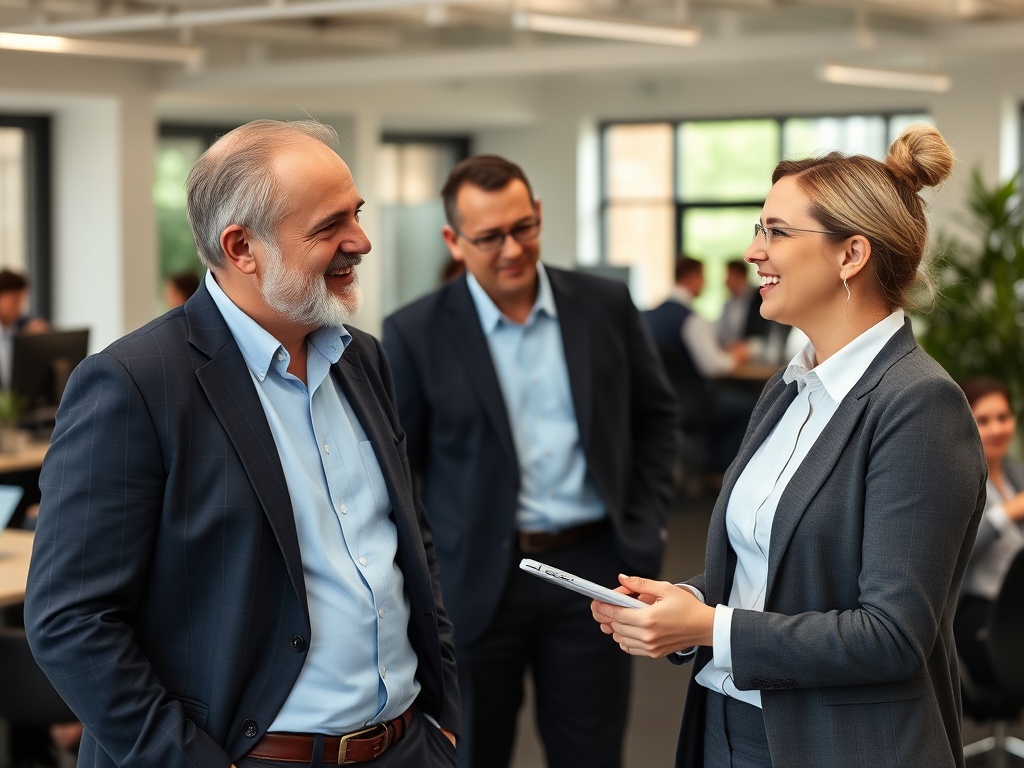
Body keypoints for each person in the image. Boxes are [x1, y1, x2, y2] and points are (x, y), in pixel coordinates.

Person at [24, 119, 459, 768]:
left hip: (408, 746)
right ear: (241, 247)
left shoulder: (360, 357)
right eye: (329, 225)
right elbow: (71, 620)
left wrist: (443, 717)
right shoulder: (135, 384)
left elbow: (405, 542)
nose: (361, 241)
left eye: (357, 213)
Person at [591, 124, 987, 767]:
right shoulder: (790, 387)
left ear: (850, 254)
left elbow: (892, 636)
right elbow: (772, 569)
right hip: (729, 722)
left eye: (776, 231)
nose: (753, 252)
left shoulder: (918, 405)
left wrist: (710, 629)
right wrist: (688, 602)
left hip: (837, 745)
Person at [382, 154, 678, 768]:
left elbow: (656, 417)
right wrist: (427, 580)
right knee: (471, 755)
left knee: (590, 753)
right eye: (489, 238)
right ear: (454, 242)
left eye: (523, 228)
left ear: (539, 214)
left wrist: (645, 531)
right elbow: (400, 470)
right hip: (473, 582)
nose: (512, 250)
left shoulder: (604, 304)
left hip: (593, 571)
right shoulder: (415, 332)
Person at [644, 256, 755, 474]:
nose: (704, 285)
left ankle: (704, 467)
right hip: (693, 405)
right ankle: (720, 473)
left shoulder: (648, 316)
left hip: (658, 401)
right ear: (692, 278)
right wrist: (738, 356)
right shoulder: (692, 320)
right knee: (748, 407)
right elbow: (712, 366)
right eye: (702, 278)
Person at [955, 376, 1024, 687]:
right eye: (983, 420)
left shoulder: (1017, 475)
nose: (996, 429)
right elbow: (958, 551)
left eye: (1003, 417)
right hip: (980, 614)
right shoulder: (957, 483)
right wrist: (1006, 514)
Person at [716, 259, 789, 363]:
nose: (725, 281)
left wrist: (746, 347)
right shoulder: (727, 303)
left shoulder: (759, 298)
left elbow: (766, 335)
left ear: (740, 276)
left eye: (729, 275)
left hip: (759, 356)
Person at [0, 268, 49, 390]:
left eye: (22, 301)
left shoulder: (25, 326)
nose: (19, 308)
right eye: (14, 302)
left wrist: (35, 342)